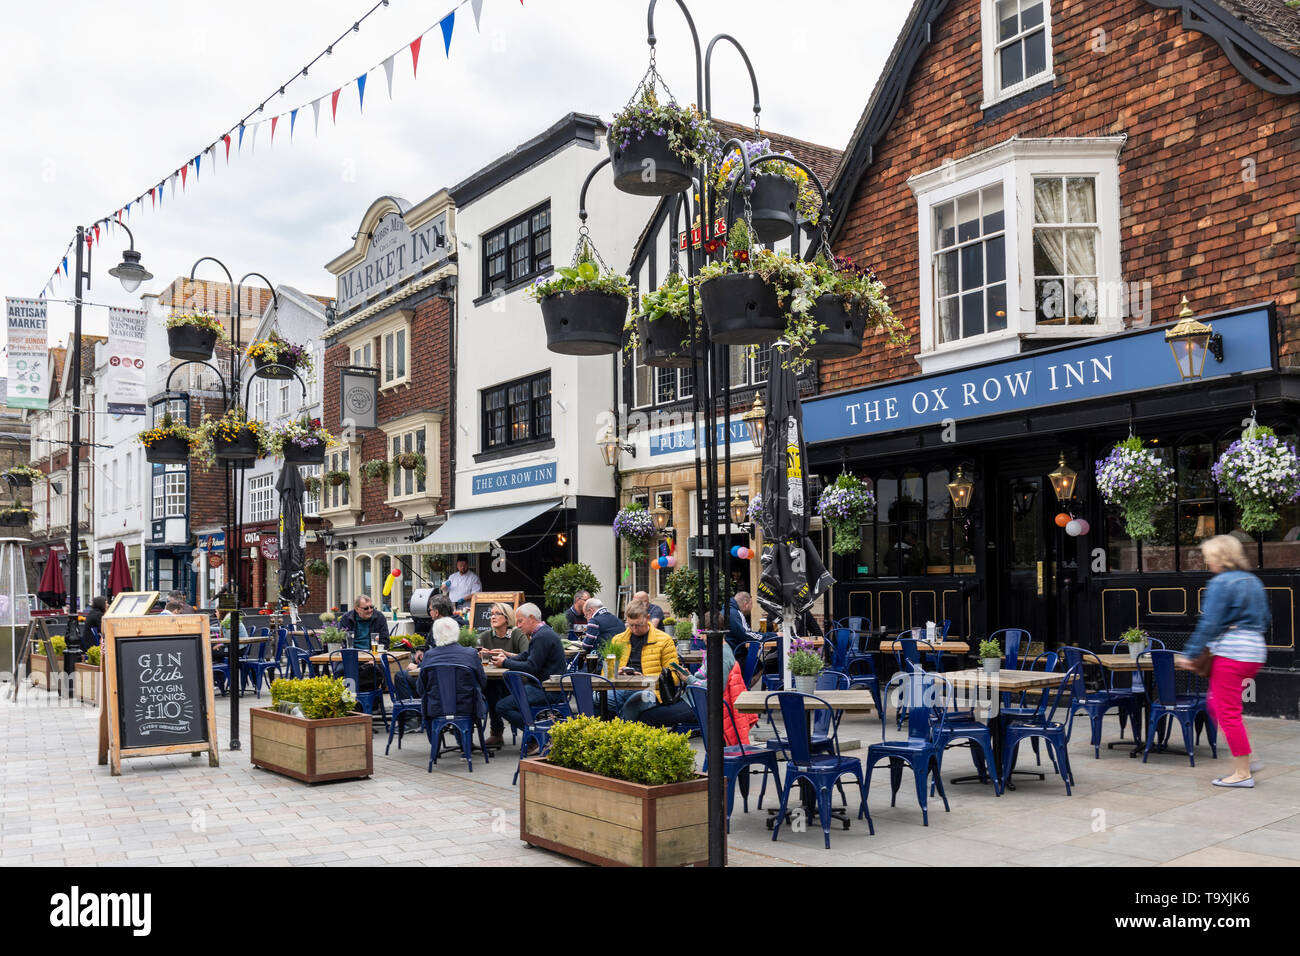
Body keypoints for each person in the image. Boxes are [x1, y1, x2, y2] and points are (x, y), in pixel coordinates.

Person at [1177, 534, 1270, 788]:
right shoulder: (1253, 581)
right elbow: (1265, 619)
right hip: (1253, 651)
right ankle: (1248, 759)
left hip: (1233, 653)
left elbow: (1210, 623)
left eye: (1209, 558)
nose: (1208, 563)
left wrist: (1191, 653)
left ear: (1219, 557)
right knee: (1215, 704)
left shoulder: (1221, 583)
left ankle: (1242, 774)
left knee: (1227, 711)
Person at [490, 603, 566, 748]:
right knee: (508, 699)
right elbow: (526, 655)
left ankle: (536, 734)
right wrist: (506, 658)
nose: (518, 625)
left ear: (531, 618)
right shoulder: (543, 633)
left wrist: (505, 663)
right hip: (547, 687)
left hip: (548, 690)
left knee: (502, 706)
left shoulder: (542, 636)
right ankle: (535, 734)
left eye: (520, 621)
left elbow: (531, 666)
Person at [610, 602, 694, 726]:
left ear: (647, 618)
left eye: (638, 625)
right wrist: (616, 672)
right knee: (598, 698)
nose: (634, 629)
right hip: (621, 686)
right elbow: (607, 672)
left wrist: (647, 678)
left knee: (635, 702)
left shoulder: (664, 640)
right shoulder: (618, 639)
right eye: (630, 625)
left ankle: (620, 733)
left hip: (651, 689)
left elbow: (674, 677)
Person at [418, 617, 488, 729]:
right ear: (457, 633)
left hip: (436, 708)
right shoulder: (471, 653)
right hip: (467, 707)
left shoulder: (429, 655)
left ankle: (436, 743)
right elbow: (482, 682)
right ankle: (466, 742)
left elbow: (421, 688)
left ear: (435, 635)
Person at [477, 603, 528, 747]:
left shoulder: (517, 634)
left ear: (506, 618)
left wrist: (506, 655)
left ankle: (524, 732)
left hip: (516, 677)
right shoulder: (485, 636)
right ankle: (496, 733)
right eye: (491, 613)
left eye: (497, 614)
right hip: (494, 678)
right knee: (490, 688)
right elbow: (479, 659)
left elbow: (526, 656)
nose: (492, 617)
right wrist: (481, 656)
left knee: (499, 689)